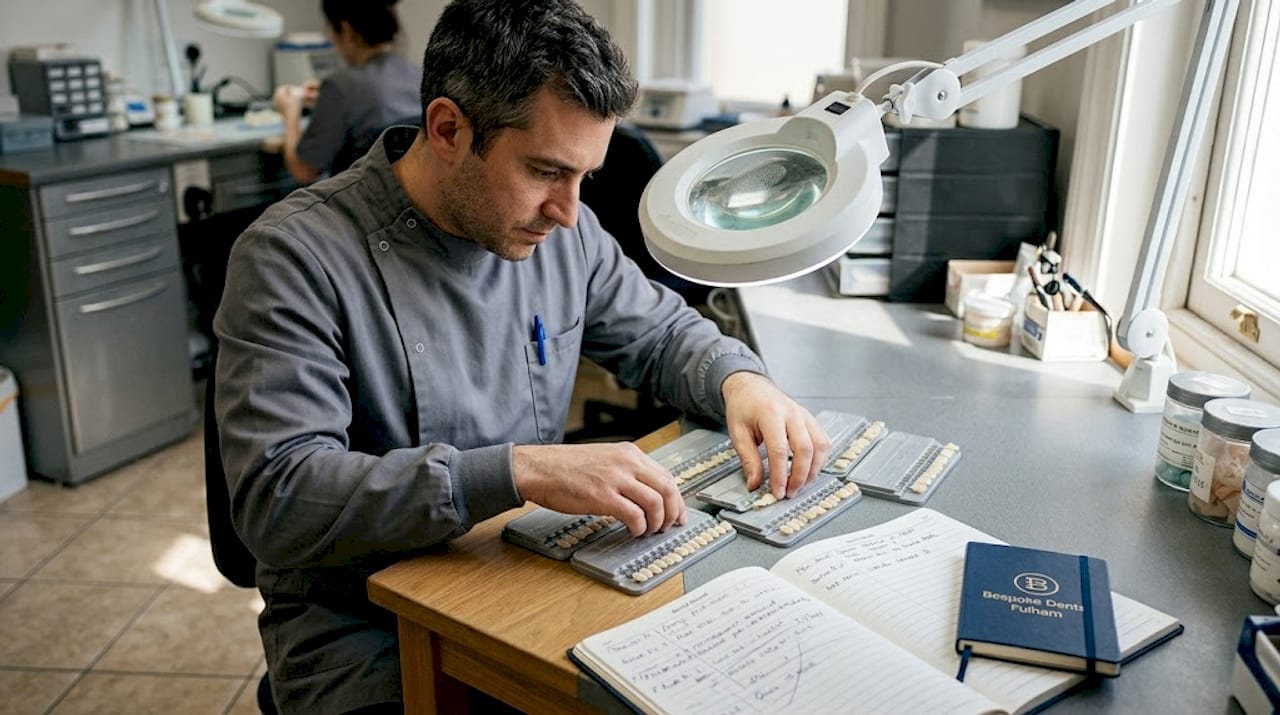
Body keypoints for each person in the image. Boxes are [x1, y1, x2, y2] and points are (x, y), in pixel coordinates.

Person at [215, 0, 832, 712]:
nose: (568, 211)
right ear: (448, 129)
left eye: (584, 177)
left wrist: (740, 379)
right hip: (358, 622)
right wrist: (518, 470)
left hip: (516, 579)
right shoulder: (293, 257)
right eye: (545, 171)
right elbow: (278, 496)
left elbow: (662, 332)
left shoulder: (563, 235)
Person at [272, 0, 421, 183]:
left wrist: (290, 112)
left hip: (358, 204)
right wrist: (329, 103)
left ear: (346, 30)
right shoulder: (418, 75)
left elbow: (304, 171)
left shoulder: (339, 87)